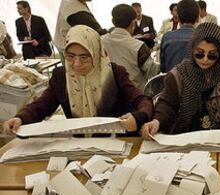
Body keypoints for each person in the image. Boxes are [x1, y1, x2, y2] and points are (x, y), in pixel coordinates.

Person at [3, 25, 153, 136]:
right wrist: (20, 118)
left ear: (96, 53)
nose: (76, 64)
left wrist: (138, 117)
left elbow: (142, 100)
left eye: (84, 57)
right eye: (70, 56)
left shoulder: (114, 73)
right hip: (79, 145)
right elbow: (41, 106)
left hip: (116, 141)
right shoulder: (61, 77)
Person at [142, 22, 220, 138]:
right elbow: (167, 104)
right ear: (192, 51)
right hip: (186, 138)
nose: (205, 59)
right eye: (199, 54)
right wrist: (156, 121)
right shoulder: (179, 74)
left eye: (212, 55)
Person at [102, 4, 159, 91]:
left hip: (108, 95)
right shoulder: (139, 46)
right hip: (135, 97)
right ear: (133, 23)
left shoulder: (100, 41)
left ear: (113, 21)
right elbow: (152, 73)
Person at [160, 0, 199, 73]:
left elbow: (163, 68)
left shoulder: (167, 37)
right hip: (197, 84)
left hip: (171, 82)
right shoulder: (203, 38)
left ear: (178, 18)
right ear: (197, 18)